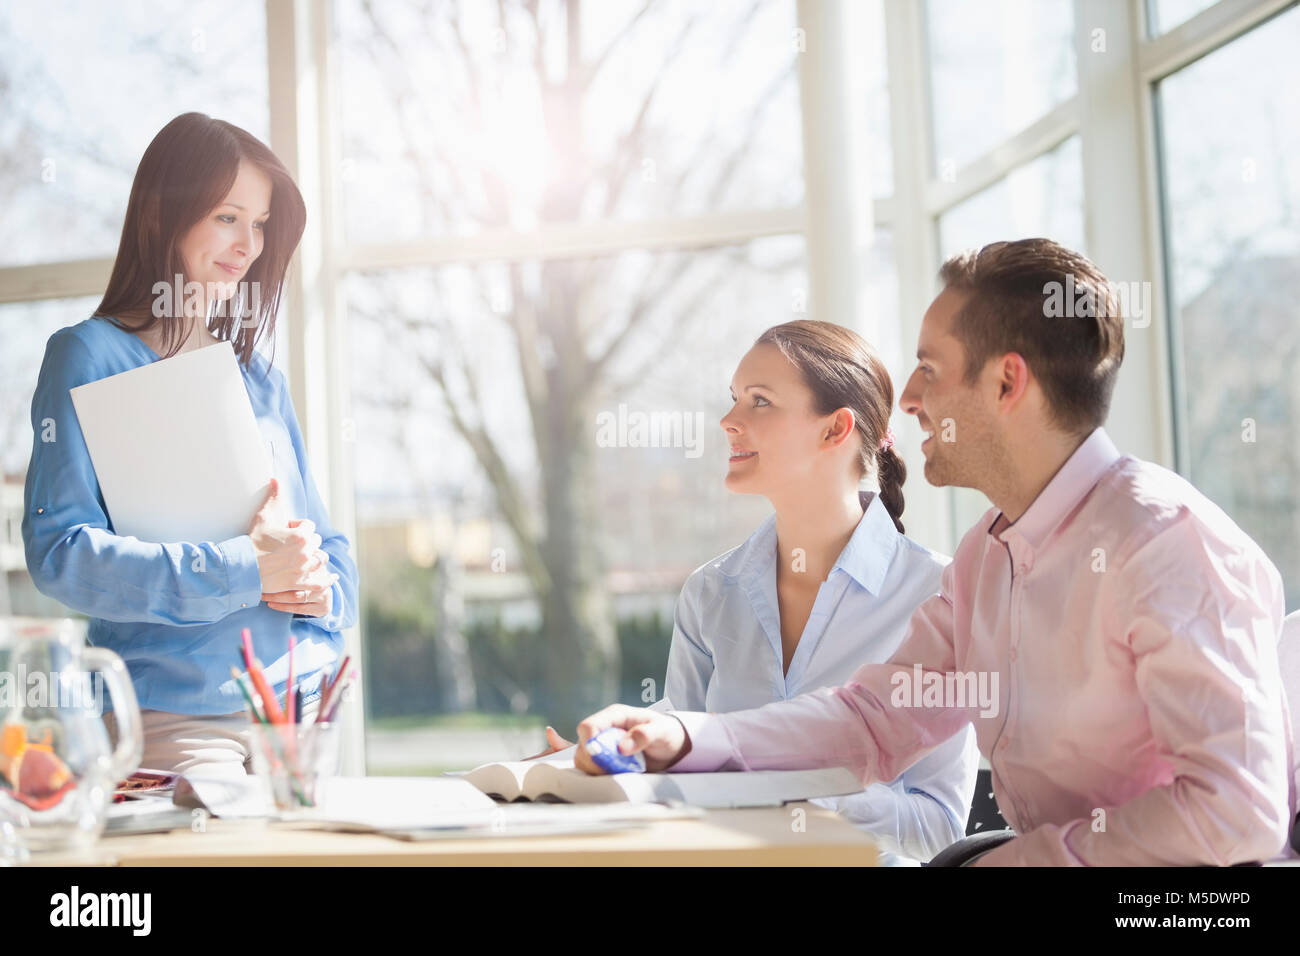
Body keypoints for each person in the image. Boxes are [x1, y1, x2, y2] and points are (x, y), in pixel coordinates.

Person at [572, 238, 1294, 866]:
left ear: (1007, 382)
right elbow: (873, 722)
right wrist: (681, 733)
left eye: (929, 368)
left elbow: (1237, 812)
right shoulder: (987, 558)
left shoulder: (1164, 541)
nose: (909, 397)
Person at [532, 320, 979, 865]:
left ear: (835, 430)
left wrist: (788, 787)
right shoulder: (710, 593)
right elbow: (680, 785)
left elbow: (939, 830)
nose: (728, 421)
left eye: (760, 402)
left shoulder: (937, 595)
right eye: (734, 399)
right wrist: (617, 765)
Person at [22, 112, 359, 775]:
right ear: (163, 217)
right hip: (178, 716)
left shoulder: (260, 379)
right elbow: (61, 554)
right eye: (228, 217)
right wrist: (246, 569)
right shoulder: (86, 357)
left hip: (305, 707)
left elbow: (328, 546)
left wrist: (321, 585)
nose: (249, 244)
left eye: (260, 224)